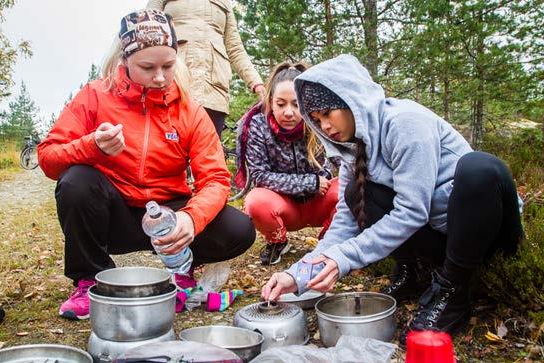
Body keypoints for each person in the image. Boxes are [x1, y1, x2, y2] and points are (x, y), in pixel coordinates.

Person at [262, 54, 524, 341]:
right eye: (316, 120)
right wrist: (297, 274)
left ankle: (453, 291)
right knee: (355, 193)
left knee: (479, 168)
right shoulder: (351, 150)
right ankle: (411, 274)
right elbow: (345, 222)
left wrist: (345, 258)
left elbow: (412, 211)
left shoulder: (405, 123)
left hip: (486, 233)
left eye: (328, 113)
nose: (324, 126)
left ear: (352, 99)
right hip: (442, 236)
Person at [37, 9, 255, 320]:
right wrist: (92, 146)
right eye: (147, 67)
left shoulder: (188, 109)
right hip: (115, 214)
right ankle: (90, 279)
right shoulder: (95, 96)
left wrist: (191, 220)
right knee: (76, 181)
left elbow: (216, 178)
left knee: (239, 228)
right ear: (124, 60)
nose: (160, 77)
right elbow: (48, 158)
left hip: (168, 216)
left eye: (168, 65)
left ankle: (182, 271)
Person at [237, 62, 339, 265]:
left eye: (296, 104)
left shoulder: (319, 122)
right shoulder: (257, 125)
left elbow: (338, 163)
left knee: (349, 187)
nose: (289, 112)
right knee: (255, 201)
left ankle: (329, 241)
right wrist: (309, 183)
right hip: (283, 206)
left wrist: (327, 180)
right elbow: (259, 175)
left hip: (318, 202)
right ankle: (278, 241)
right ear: (271, 102)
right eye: (281, 104)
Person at [146, 0, 265, 137]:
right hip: (172, 84)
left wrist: (256, 82)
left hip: (213, 92)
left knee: (209, 153)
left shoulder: (225, 3)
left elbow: (235, 48)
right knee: (167, 151)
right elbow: (145, 33)